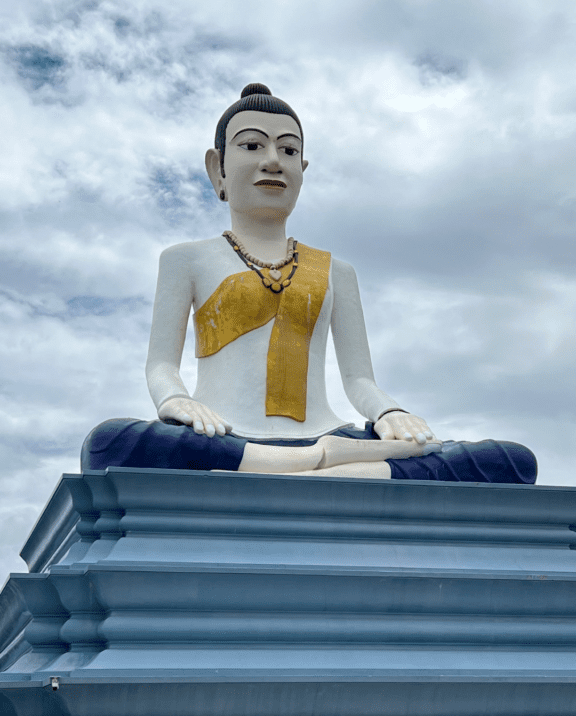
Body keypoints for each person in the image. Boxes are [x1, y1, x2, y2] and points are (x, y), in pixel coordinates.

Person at [82, 83, 536, 486]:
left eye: (289, 150)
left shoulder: (336, 271)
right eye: (252, 146)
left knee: (512, 461)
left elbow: (359, 379)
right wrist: (175, 400)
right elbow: (160, 364)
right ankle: (328, 466)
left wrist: (389, 412)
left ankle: (293, 463)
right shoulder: (186, 260)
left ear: (303, 167)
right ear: (217, 167)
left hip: (325, 432)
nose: (273, 161)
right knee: (111, 444)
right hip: (220, 434)